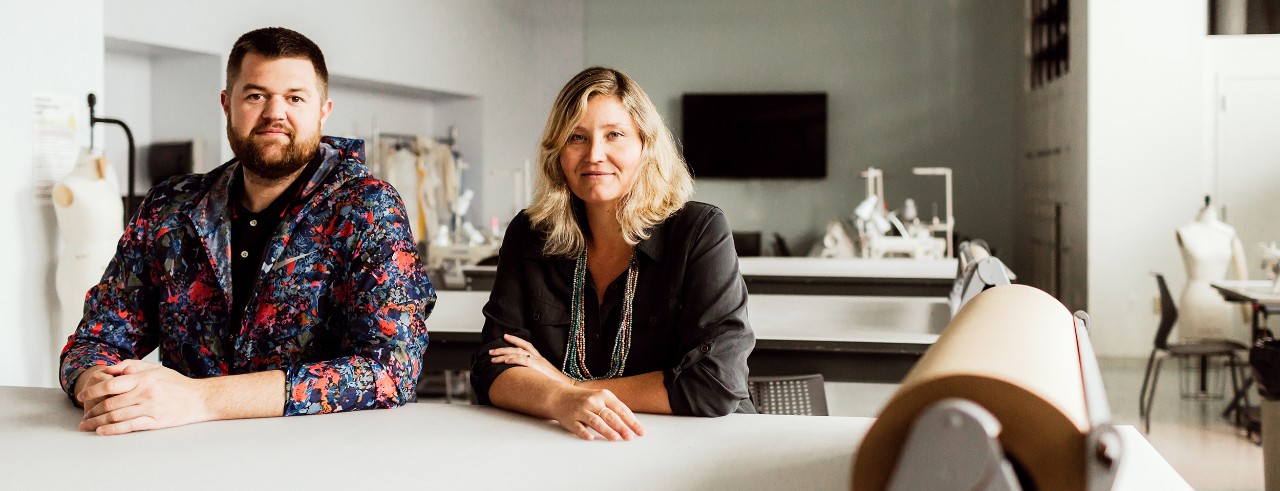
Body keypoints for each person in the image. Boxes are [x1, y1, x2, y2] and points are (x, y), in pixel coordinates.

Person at [59, 27, 435, 435]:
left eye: (295, 98)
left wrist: (202, 399)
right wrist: (96, 385)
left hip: (320, 455)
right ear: (227, 104)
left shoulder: (367, 208)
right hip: (184, 453)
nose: (275, 112)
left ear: (323, 111)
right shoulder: (171, 207)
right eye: (256, 95)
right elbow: (95, 341)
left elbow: (390, 369)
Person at [470, 66, 754, 441]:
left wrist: (568, 387)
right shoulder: (529, 233)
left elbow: (714, 383)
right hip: (567, 443)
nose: (594, 154)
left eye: (614, 135)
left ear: (645, 145)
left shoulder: (699, 230)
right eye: (577, 137)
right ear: (558, 152)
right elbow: (492, 368)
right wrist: (558, 400)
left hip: (702, 445)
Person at [1176, 197, 1248, 340]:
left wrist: (1246, 311)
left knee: (1220, 351)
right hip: (1194, 301)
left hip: (1221, 301)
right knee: (1193, 348)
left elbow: (1242, 274)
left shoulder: (1228, 233)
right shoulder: (1185, 232)